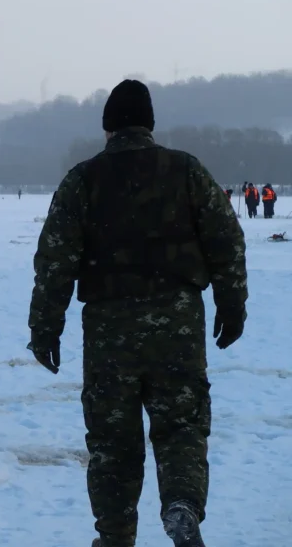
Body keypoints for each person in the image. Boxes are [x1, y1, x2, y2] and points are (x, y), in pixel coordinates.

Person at [27, 80, 247, 547]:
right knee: (181, 426)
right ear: (149, 125)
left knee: (112, 443)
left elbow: (55, 261)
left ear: (108, 128)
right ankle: (182, 506)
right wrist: (232, 303)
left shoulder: (83, 180)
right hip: (179, 323)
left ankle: (115, 536)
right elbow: (226, 240)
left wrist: (45, 327)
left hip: (110, 329)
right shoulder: (186, 170)